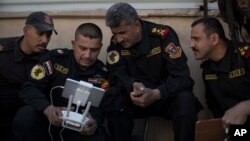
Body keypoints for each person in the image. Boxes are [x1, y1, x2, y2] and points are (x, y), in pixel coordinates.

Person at [104, 2, 202, 141]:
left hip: (165, 97)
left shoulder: (163, 36)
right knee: (113, 97)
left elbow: (182, 77)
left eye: (122, 33)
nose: (119, 39)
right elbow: (115, 72)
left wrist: (158, 93)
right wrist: (132, 84)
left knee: (186, 100)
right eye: (115, 34)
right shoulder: (116, 43)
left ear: (136, 25)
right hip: (135, 99)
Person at [13, 23, 109, 141]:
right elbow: (28, 88)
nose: (88, 55)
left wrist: (95, 122)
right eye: (82, 48)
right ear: (73, 44)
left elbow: (103, 106)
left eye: (94, 50)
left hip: (78, 130)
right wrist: (48, 109)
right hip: (48, 122)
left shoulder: (102, 73)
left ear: (100, 47)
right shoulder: (55, 60)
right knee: (26, 115)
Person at [0, 11, 57, 141]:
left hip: (28, 122)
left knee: (27, 116)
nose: (45, 40)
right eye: (40, 33)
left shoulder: (49, 60)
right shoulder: (3, 51)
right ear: (26, 30)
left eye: (48, 35)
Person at [189, 16, 250, 128]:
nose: (191, 45)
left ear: (214, 39)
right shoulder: (208, 69)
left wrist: (246, 106)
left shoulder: (245, 56)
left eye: (196, 39)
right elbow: (213, 105)